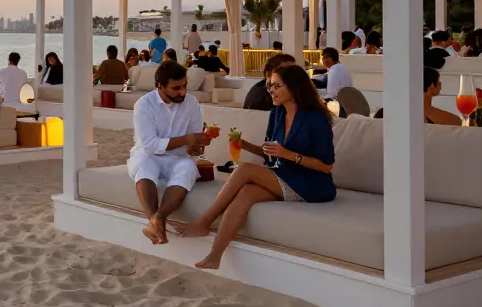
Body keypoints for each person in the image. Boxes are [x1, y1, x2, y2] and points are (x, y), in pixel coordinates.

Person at [178, 64, 335, 269]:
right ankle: (215, 255)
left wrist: (289, 155)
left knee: (244, 169)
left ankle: (204, 222)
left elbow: (326, 166)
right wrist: (244, 145)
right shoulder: (278, 114)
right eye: (270, 86)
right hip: (283, 175)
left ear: (294, 87)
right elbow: (270, 153)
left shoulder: (315, 119)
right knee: (246, 192)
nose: (271, 90)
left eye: (277, 86)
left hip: (312, 184)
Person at [128, 61, 209, 245]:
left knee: (188, 168)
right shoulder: (144, 104)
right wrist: (187, 139)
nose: (182, 92)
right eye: (176, 88)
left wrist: (197, 146)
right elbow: (150, 145)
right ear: (160, 86)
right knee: (144, 165)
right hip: (148, 155)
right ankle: (154, 220)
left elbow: (193, 142)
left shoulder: (191, 103)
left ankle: (158, 219)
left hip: (178, 157)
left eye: (185, 86)